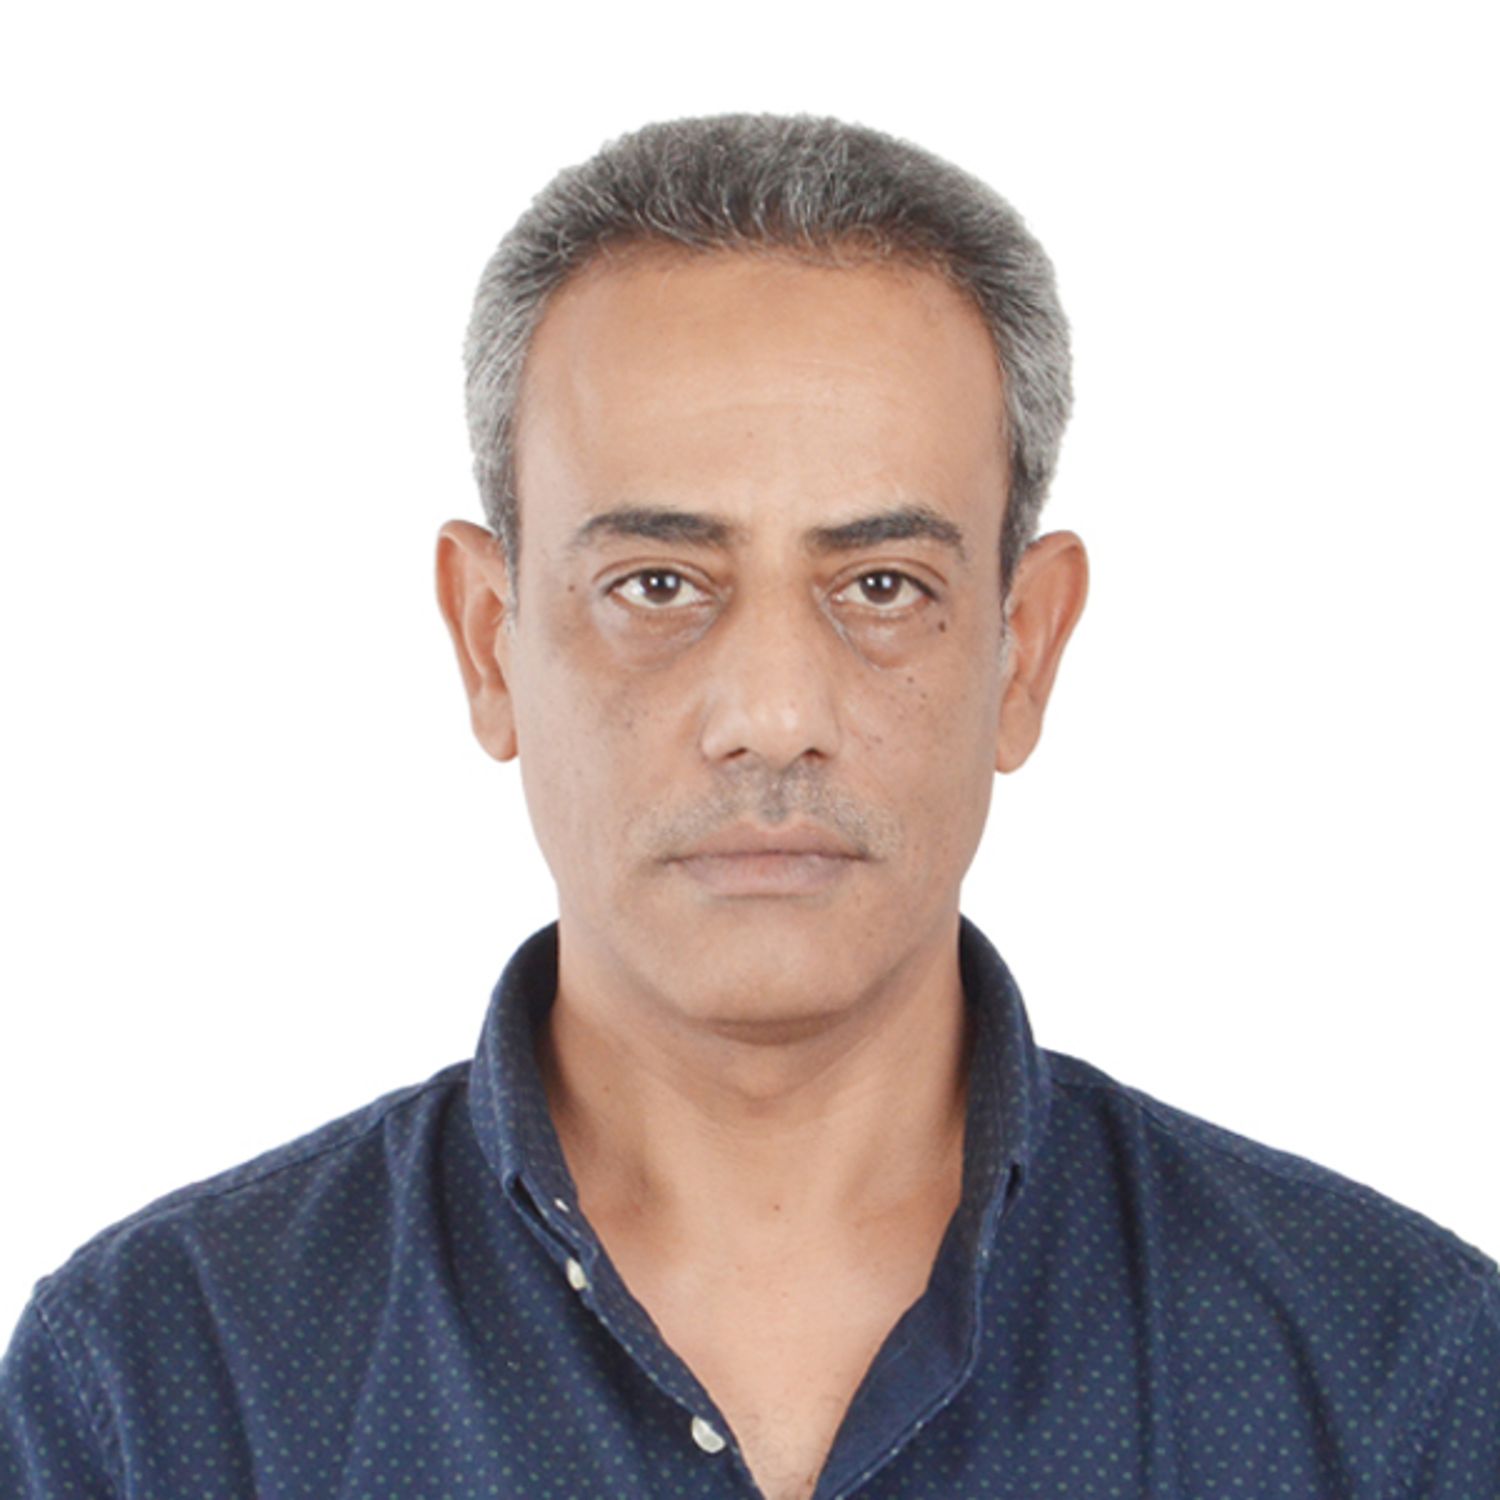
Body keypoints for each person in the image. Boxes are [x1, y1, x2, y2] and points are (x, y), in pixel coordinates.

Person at [1, 112, 1494, 1500]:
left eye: (882, 585)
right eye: (658, 584)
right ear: (489, 642)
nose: (774, 715)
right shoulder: (165, 1385)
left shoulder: (1398, 1380)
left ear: (1024, 650)